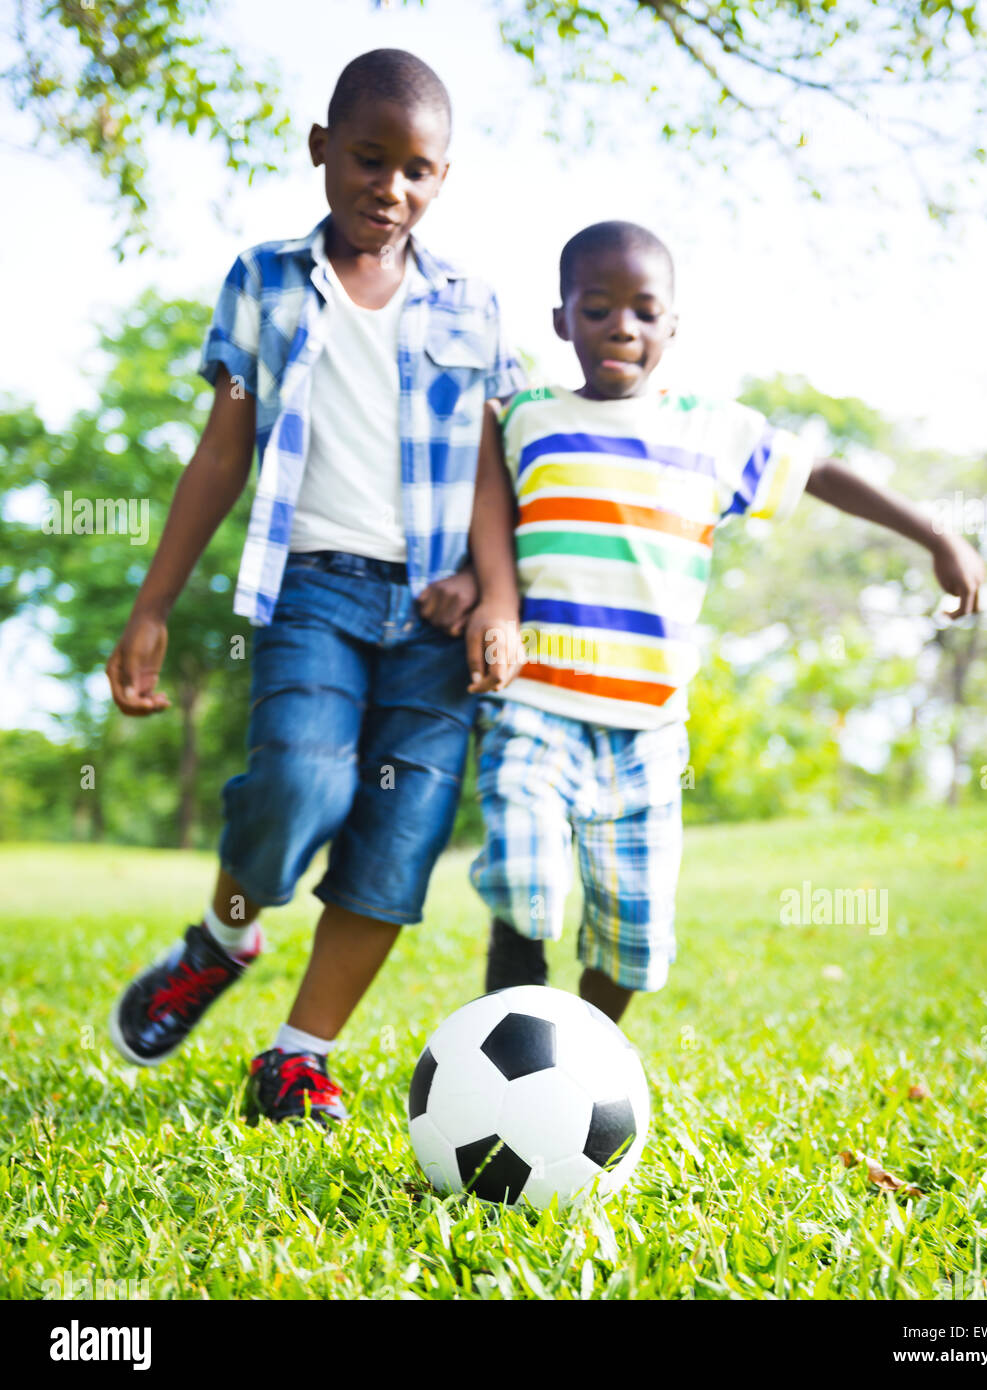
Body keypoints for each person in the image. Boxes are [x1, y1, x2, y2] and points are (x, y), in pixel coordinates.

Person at [106, 49, 524, 1124]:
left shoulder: (472, 304)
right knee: (298, 785)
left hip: (434, 617)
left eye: (417, 171)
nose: (390, 187)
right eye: (370, 159)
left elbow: (489, 464)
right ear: (322, 150)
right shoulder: (263, 280)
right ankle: (227, 932)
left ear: (443, 179)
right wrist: (152, 603)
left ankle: (297, 1055)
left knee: (399, 839)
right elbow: (220, 450)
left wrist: (494, 598)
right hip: (313, 595)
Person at [470, 219, 985, 1023]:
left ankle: (584, 1053)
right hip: (538, 700)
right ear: (561, 320)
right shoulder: (525, 416)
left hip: (648, 728)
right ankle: (516, 972)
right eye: (597, 307)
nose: (622, 327)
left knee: (632, 937)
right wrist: (469, 594)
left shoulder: (713, 430)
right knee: (527, 873)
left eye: (644, 311)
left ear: (673, 326)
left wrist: (935, 534)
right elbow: (480, 511)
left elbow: (817, 471)